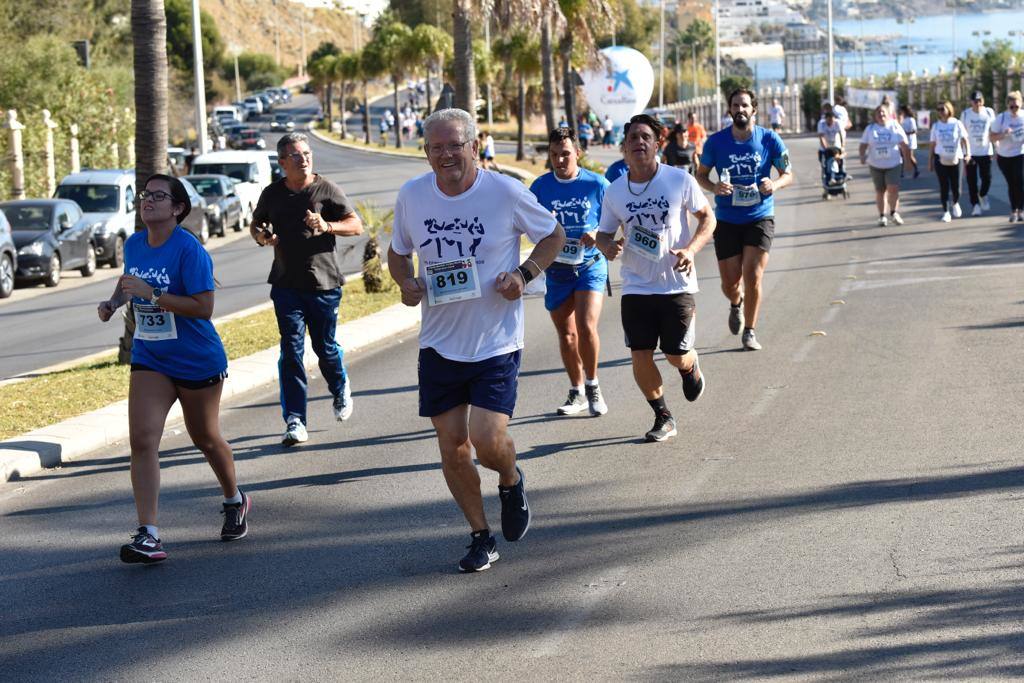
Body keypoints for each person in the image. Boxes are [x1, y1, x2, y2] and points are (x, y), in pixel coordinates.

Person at [387, 108, 565, 573]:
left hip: (495, 341)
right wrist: (406, 283)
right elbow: (398, 253)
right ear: (426, 153)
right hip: (439, 343)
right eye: (436, 147)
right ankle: (480, 536)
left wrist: (524, 275)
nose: (446, 154)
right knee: (452, 447)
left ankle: (510, 478)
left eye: (454, 144)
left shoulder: (504, 192)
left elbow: (554, 235)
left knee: (487, 440)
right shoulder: (413, 196)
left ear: (473, 145)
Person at [97, 174, 249, 564]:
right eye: (145, 195)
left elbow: (204, 307)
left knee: (206, 437)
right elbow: (129, 279)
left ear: (178, 208)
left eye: (158, 196)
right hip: (151, 355)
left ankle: (234, 499)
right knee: (143, 439)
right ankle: (148, 533)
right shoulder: (134, 243)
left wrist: (156, 296)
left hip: (196, 357)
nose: (148, 201)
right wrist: (114, 302)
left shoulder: (189, 249)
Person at [596, 114, 716, 442]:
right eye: (632, 137)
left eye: (645, 137)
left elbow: (708, 218)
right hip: (636, 284)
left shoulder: (679, 180)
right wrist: (609, 246)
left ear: (657, 144)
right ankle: (663, 415)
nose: (639, 142)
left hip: (676, 282)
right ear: (624, 147)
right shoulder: (616, 191)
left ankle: (690, 367)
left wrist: (691, 249)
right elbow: (603, 234)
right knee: (640, 352)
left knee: (676, 354)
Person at [250, 132, 364, 446]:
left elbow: (356, 224)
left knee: (325, 348)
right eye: (297, 155)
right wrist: (263, 237)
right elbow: (257, 225)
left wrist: (327, 225)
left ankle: (339, 387)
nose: (304, 159)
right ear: (283, 162)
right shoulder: (272, 194)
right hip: (286, 284)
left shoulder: (326, 188)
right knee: (291, 350)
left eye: (307, 153)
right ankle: (295, 420)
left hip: (323, 283)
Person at [696, 88, 793, 352]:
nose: (740, 109)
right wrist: (714, 187)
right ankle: (735, 302)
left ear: (754, 110)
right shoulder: (716, 143)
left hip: (759, 216)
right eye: (735, 105)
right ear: (730, 111)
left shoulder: (769, 139)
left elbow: (788, 174)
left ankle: (750, 331)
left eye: (745, 105)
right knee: (730, 283)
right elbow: (701, 174)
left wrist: (773, 184)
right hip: (726, 218)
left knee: (753, 276)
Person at [530, 127, 610, 417]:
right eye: (554, 155)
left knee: (587, 326)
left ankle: (593, 385)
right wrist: (543, 231)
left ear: (578, 153)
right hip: (557, 270)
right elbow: (527, 227)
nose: (559, 160)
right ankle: (576, 392)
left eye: (565, 154)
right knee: (567, 335)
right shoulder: (539, 188)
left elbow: (618, 219)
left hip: (590, 264)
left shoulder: (598, 184)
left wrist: (598, 232)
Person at [859, 105, 911, 227]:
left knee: (893, 188)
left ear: (888, 114)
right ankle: (882, 216)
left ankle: (894, 213)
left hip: (893, 163)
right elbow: (863, 145)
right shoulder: (870, 128)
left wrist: (908, 161)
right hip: (875, 164)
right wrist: (862, 156)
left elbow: (904, 144)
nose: (881, 115)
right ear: (875, 116)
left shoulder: (894, 126)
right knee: (880, 191)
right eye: (878, 113)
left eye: (883, 113)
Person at [928, 101, 971, 223]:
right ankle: (946, 212)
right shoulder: (936, 126)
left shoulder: (957, 123)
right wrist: (930, 161)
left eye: (943, 109)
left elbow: (964, 139)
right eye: (939, 109)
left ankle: (956, 202)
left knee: (956, 185)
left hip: (956, 157)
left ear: (949, 109)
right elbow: (932, 144)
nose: (941, 111)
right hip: (940, 158)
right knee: (944, 186)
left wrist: (967, 153)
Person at [990, 90, 1024, 223]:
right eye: (1012, 107)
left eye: (1017, 106)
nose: (1015, 109)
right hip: (1004, 156)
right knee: (1012, 183)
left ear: (1021, 104)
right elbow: (991, 137)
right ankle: (1013, 210)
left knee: (1020, 180)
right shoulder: (1001, 118)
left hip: (1020, 153)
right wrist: (1003, 134)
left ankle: (1020, 210)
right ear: (1007, 106)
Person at [962, 90, 996, 215]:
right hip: (971, 152)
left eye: (980, 100)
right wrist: (964, 153)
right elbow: (962, 134)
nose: (978, 103)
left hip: (986, 150)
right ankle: (975, 205)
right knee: (972, 180)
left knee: (987, 178)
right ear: (971, 102)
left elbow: (993, 130)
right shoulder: (966, 114)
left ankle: (983, 194)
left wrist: (996, 146)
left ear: (983, 101)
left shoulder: (989, 112)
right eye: (975, 101)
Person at [898, 105, 920, 178]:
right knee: (901, 155)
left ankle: (916, 170)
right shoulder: (903, 119)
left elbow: (914, 130)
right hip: (903, 140)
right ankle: (901, 172)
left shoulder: (911, 119)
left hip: (910, 140)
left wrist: (905, 133)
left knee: (910, 156)